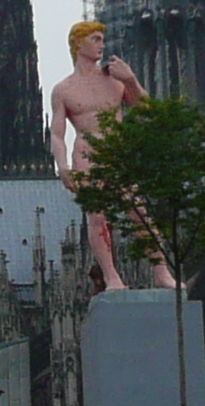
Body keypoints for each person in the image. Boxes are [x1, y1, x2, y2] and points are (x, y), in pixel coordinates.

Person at [48, 18, 151, 293]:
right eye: (95, 39)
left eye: (102, 40)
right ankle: (111, 276)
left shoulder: (115, 80)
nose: (102, 45)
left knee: (141, 213)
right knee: (97, 219)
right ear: (78, 44)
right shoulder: (64, 89)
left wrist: (130, 79)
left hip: (117, 153)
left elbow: (148, 110)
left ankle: (162, 271)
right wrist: (62, 166)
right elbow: (57, 134)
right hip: (87, 155)